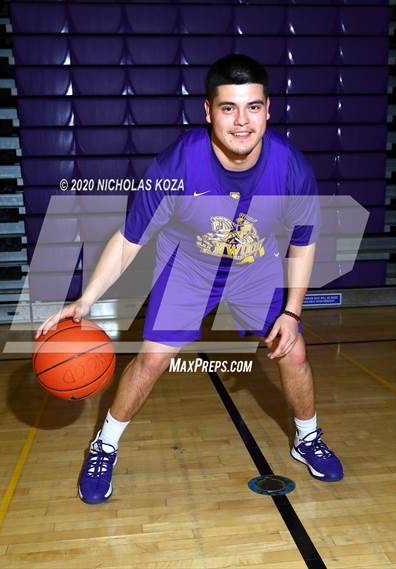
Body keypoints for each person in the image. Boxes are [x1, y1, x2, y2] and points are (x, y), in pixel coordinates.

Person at [36, 54, 343, 505]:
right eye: (228, 108)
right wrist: (85, 301)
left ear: (268, 109)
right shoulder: (175, 166)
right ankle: (105, 444)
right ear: (208, 111)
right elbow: (129, 239)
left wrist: (293, 312)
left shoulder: (291, 168)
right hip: (190, 269)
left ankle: (307, 437)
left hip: (253, 267)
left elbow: (304, 242)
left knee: (292, 350)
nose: (242, 122)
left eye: (253, 107)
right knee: (152, 360)